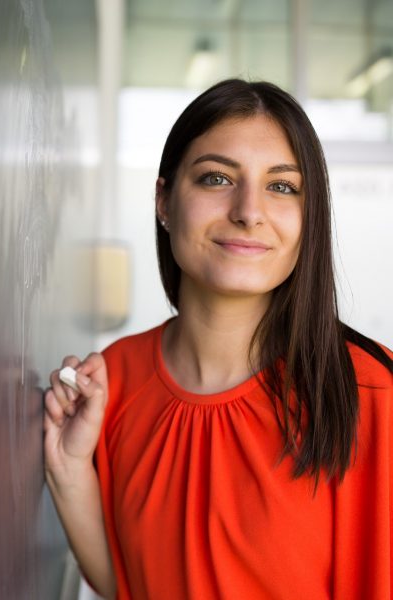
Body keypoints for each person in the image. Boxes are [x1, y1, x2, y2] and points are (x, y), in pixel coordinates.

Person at [44, 79, 393, 600]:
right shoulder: (114, 381)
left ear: (309, 216)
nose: (249, 211)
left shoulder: (371, 393)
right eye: (216, 178)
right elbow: (130, 585)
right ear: (164, 201)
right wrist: (70, 470)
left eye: (282, 187)